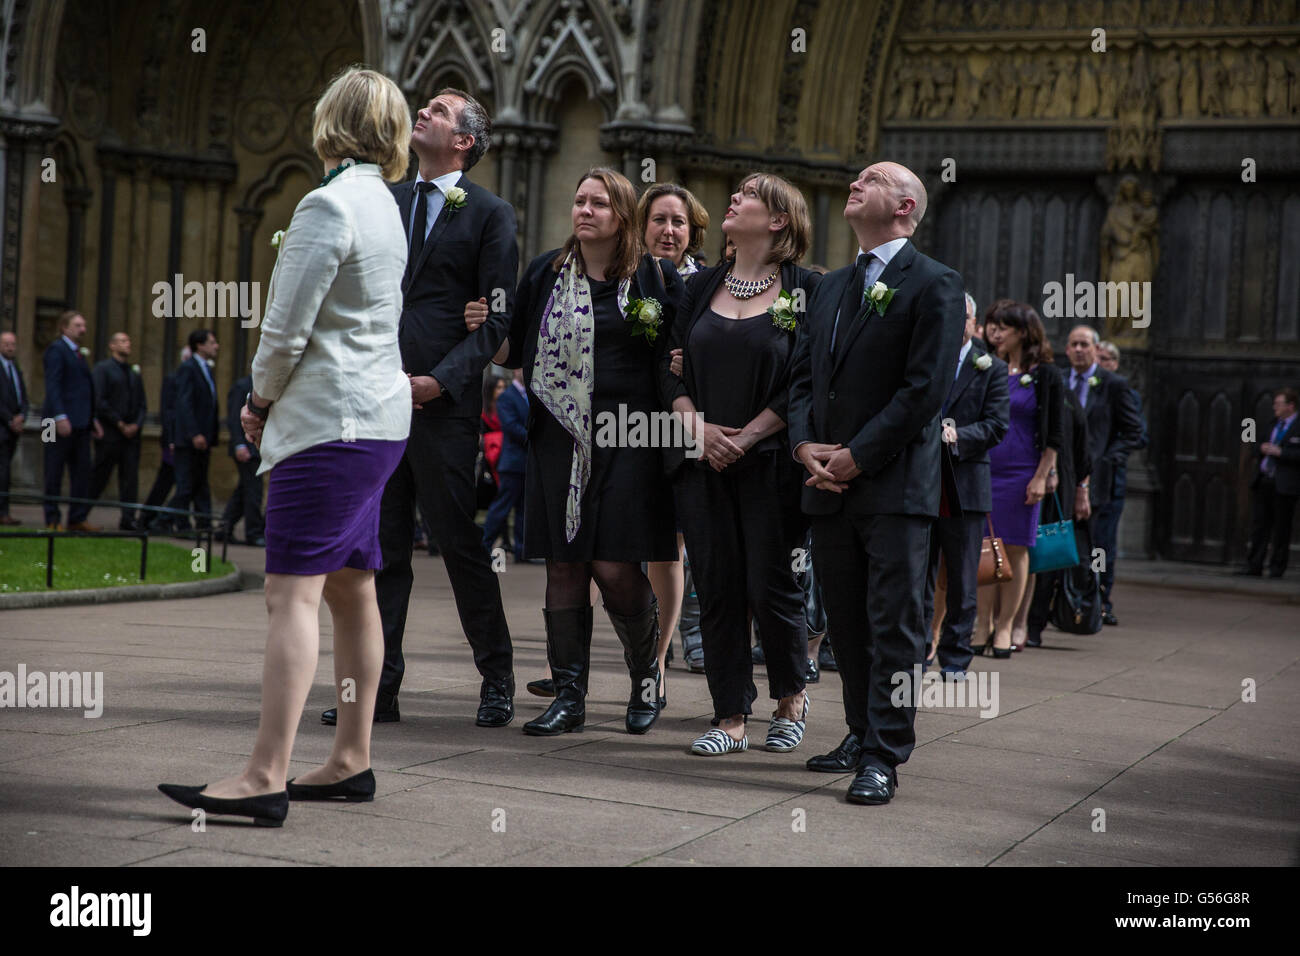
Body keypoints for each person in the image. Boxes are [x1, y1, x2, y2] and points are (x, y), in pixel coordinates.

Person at [159, 66, 414, 826]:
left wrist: (257, 400)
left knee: (289, 594)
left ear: (329, 121)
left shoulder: (328, 203)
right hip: (378, 423)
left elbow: (285, 327)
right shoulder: (385, 205)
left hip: (329, 426)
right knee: (350, 587)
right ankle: (350, 758)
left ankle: (264, 773)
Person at [326, 86, 519, 730]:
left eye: (437, 110)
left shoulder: (491, 214)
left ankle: (496, 679)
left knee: (460, 545)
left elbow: (494, 323)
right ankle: (379, 690)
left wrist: (441, 382)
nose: (422, 114)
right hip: (377, 398)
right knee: (383, 547)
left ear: (463, 141)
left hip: (441, 407)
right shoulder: (388, 199)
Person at [468, 167, 684, 736]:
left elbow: (673, 353)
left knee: (614, 564)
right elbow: (513, 350)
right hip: (557, 437)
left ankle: (646, 678)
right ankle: (569, 695)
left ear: (623, 216)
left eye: (599, 204)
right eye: (579, 200)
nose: (585, 211)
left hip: (628, 438)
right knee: (564, 564)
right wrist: (486, 327)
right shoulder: (545, 272)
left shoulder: (651, 279)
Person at [788, 161, 964, 805]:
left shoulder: (936, 284)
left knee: (893, 622)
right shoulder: (832, 286)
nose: (855, 183)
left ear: (906, 205)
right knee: (844, 620)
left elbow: (925, 391)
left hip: (891, 485)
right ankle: (859, 733)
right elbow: (805, 378)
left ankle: (885, 754)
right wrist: (805, 445)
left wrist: (858, 455)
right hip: (827, 482)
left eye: (873, 177)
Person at [661, 172, 821, 755]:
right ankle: (729, 715)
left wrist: (747, 436)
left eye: (749, 195)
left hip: (771, 462)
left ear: (778, 220)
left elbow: (806, 379)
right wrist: (698, 430)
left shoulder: (806, 289)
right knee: (718, 585)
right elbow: (668, 369)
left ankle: (790, 697)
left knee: (771, 583)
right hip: (703, 461)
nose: (734, 198)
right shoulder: (700, 286)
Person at [638, 183, 711, 699]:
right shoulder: (618, 278)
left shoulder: (708, 285)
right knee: (610, 554)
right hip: (618, 425)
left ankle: (656, 662)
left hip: (676, 427)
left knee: (667, 548)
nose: (669, 230)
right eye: (659, 220)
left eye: (678, 222)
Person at [924, 292, 1009, 678]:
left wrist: (956, 436)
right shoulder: (925, 356)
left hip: (966, 484)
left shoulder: (991, 368)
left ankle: (956, 658)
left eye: (963, 316)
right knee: (918, 573)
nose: (955, 322)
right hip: (922, 482)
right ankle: (918, 647)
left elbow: (996, 425)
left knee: (961, 577)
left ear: (974, 323)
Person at [975, 301, 1063, 656]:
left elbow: (1055, 433)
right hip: (985, 467)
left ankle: (1007, 624)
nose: (994, 332)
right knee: (984, 545)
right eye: (991, 324)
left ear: (1024, 333)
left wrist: (1043, 475)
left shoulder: (1046, 374)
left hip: (1023, 470)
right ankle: (982, 624)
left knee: (1015, 546)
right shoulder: (985, 366)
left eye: (1003, 326)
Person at [1064, 325, 1143, 624]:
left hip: (1098, 480)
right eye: (1074, 344)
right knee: (1060, 541)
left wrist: (1109, 459)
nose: (1079, 350)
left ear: (1095, 349)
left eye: (1085, 344)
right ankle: (1062, 600)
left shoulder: (1113, 384)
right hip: (1063, 477)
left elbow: (1133, 430)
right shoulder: (1060, 380)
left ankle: (1095, 600)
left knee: (1095, 545)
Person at [1026, 369, 1092, 646]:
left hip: (1057, 487)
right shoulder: (1015, 388)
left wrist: (1082, 491)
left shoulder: (1065, 399)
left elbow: (1082, 450)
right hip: (1017, 480)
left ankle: (1033, 623)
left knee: (1046, 555)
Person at [1094, 339, 1147, 614]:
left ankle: (1102, 596)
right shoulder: (1083, 388)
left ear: (1114, 364)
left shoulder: (1124, 393)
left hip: (1110, 480)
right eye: (1098, 358)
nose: (1101, 364)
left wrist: (1108, 456)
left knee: (1103, 544)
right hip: (1082, 479)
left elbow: (1139, 435)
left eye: (1106, 360)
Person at [42, 310, 102, 530]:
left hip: (80, 422)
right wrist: (60, 416)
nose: (83, 329)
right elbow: (53, 386)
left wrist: (92, 418)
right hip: (53, 422)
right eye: (78, 325)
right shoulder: (56, 351)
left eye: (84, 325)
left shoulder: (78, 354)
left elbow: (83, 390)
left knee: (81, 472)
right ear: (64, 327)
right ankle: (52, 518)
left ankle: (77, 518)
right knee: (53, 470)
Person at [90, 332, 146, 530]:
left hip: (131, 436)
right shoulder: (103, 369)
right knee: (99, 475)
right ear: (112, 346)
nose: (128, 343)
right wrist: (120, 423)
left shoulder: (133, 372)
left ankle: (128, 518)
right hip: (110, 433)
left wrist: (136, 425)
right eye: (123, 341)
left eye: (129, 340)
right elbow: (99, 400)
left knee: (130, 477)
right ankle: (80, 514)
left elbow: (142, 404)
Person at [1241, 387, 1299, 578]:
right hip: (1264, 480)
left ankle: (1276, 568)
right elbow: (1254, 443)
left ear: (1290, 406)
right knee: (1259, 526)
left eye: (1279, 404)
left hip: (1284, 484)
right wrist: (1262, 448)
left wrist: (1282, 453)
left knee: (1281, 528)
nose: (1275, 407)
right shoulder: (1272, 423)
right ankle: (1254, 565)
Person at [167, 329, 220, 532]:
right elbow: (184, 403)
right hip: (189, 439)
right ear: (199, 345)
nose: (216, 346)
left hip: (203, 439)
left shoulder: (206, 369)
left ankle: (203, 524)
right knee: (186, 484)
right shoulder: (189, 368)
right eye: (212, 342)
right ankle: (179, 524)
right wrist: (194, 432)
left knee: (200, 484)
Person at [482, 368, 528, 560]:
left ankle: (522, 550)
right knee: (502, 506)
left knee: (523, 509)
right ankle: (484, 545)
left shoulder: (529, 395)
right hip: (511, 461)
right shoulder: (507, 397)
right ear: (516, 370)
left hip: (524, 462)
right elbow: (511, 427)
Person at [143, 347, 187, 532]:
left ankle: (167, 519)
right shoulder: (173, 379)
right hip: (174, 440)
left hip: (185, 441)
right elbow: (168, 412)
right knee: (166, 481)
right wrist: (170, 438)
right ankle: (149, 518)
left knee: (186, 484)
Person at [219, 372, 265, 546]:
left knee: (244, 491)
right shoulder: (243, 386)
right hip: (246, 448)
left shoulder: (261, 388)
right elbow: (234, 418)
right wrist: (239, 444)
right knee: (254, 490)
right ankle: (253, 533)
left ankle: (224, 528)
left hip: (254, 448)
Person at [0, 330, 29, 525]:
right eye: (7, 344)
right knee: (2, 472)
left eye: (13, 344)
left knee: (5, 471)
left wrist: (23, 416)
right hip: (2, 427)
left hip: (13, 429)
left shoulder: (15, 368)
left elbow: (23, 397)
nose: (11, 348)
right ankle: (2, 512)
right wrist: (10, 419)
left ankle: (4, 512)